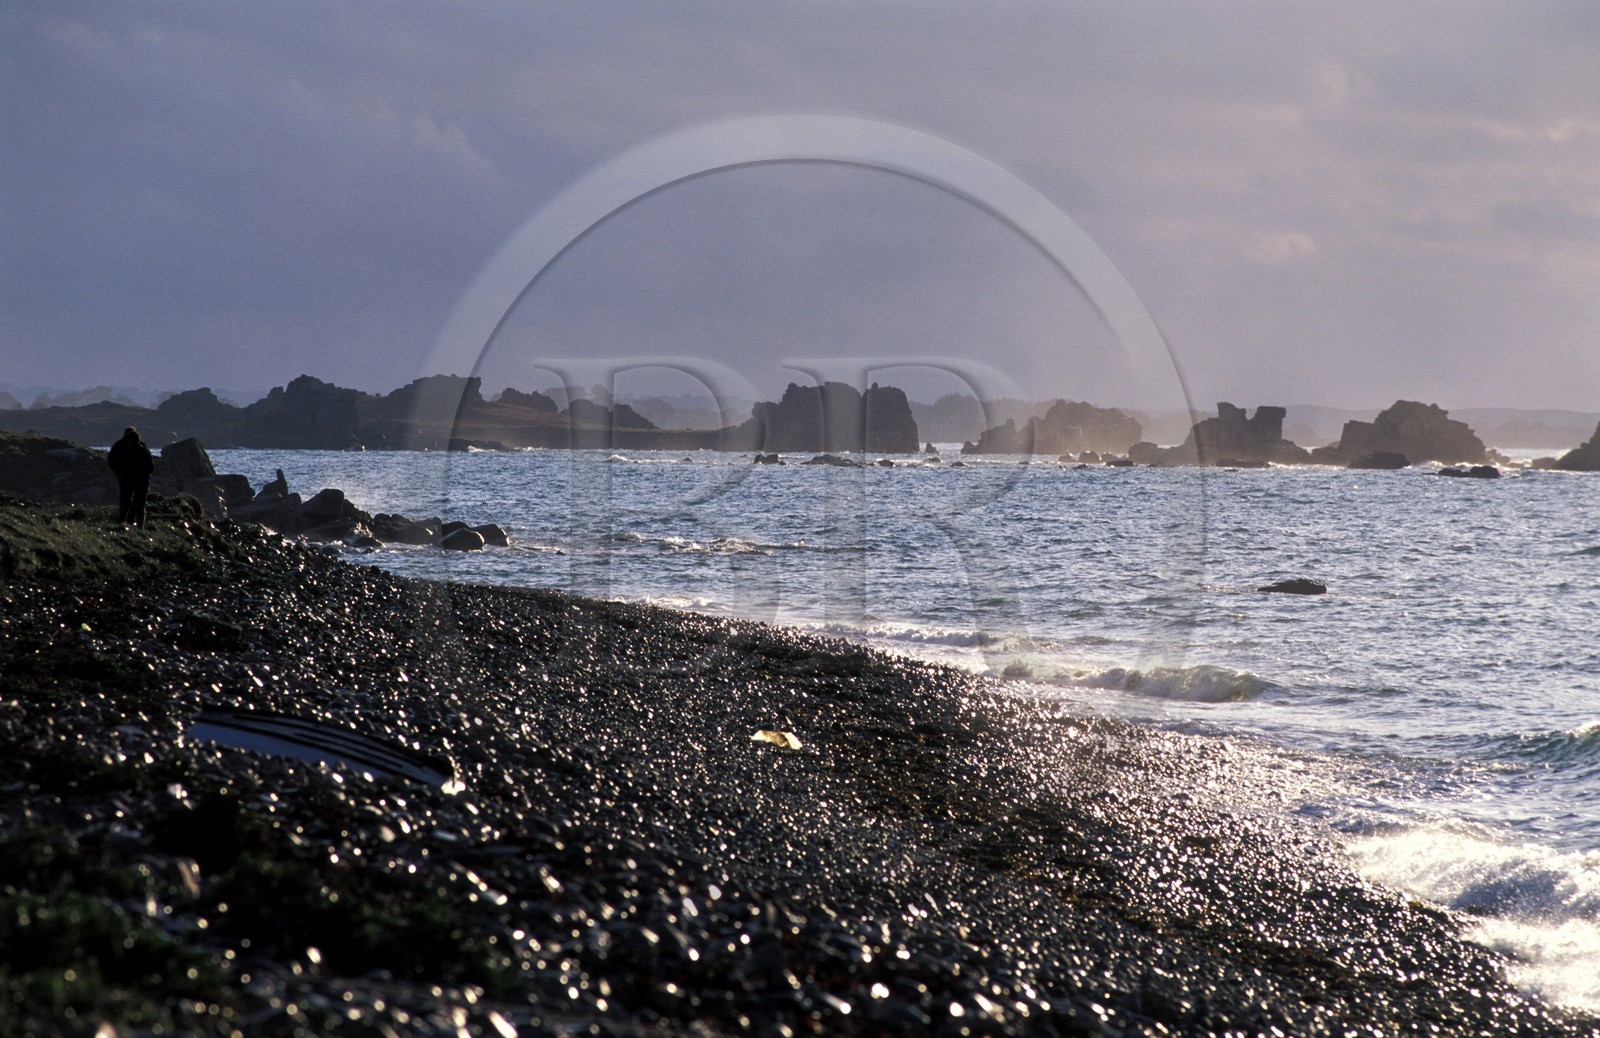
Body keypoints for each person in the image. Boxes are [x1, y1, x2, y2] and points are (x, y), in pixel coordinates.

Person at [107, 427, 155, 526]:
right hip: (141, 481)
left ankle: (124, 522)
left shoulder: (122, 448)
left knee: (125, 501)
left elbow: (114, 462)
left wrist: (119, 473)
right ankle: (138, 526)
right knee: (140, 505)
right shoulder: (143, 449)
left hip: (126, 480)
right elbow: (150, 467)